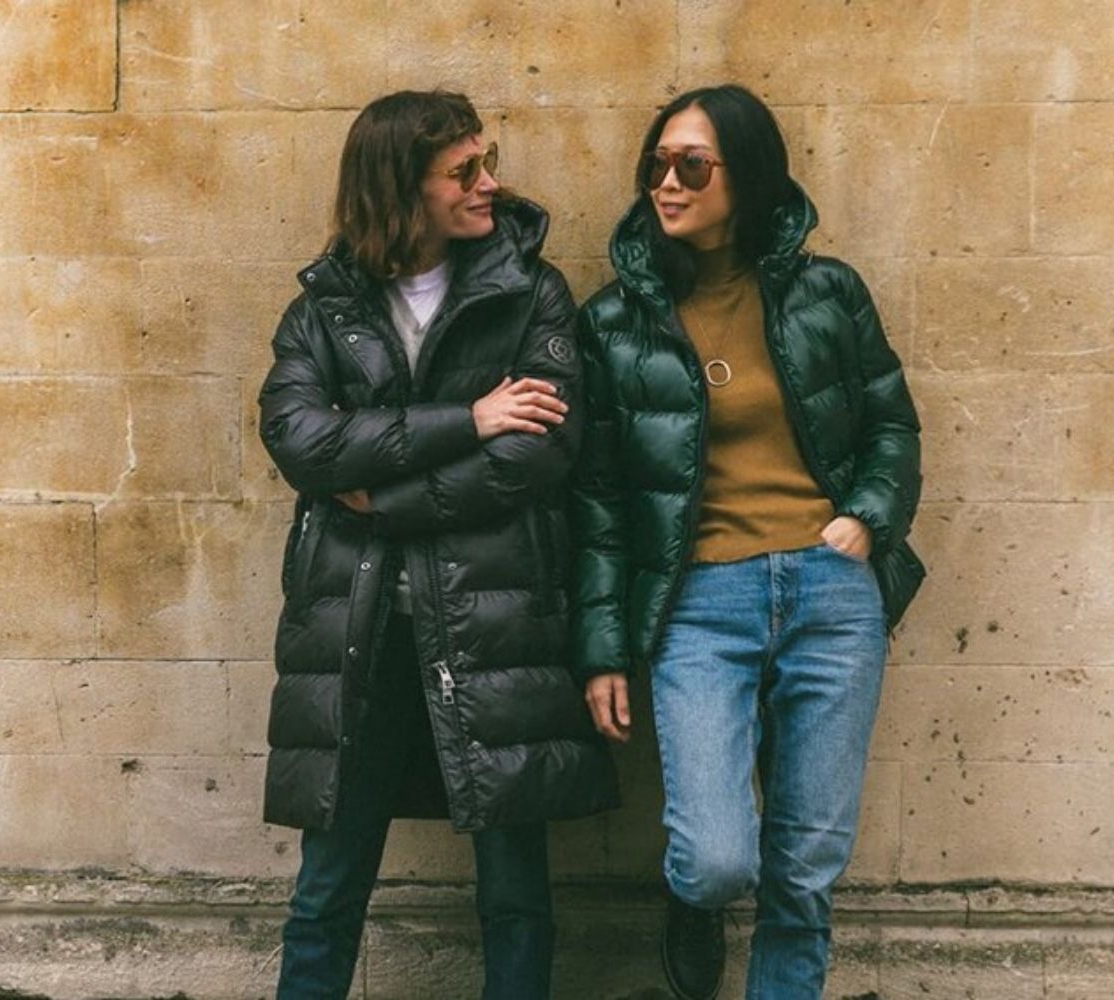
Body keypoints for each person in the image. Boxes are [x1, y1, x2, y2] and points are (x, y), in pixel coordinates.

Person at [258, 89, 619, 1000]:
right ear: (400, 186)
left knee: (513, 893)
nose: (489, 183)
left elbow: (542, 452)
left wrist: (376, 495)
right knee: (327, 890)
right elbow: (300, 439)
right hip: (359, 630)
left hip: (497, 624)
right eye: (463, 171)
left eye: (486, 160)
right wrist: (471, 416)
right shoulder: (324, 306)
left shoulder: (529, 290)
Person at [569, 84, 925, 1000]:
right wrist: (602, 650)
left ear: (749, 176)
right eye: (658, 165)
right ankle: (691, 903)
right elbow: (600, 500)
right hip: (699, 604)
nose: (668, 184)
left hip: (831, 593)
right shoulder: (613, 324)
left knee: (803, 874)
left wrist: (868, 519)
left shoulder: (827, 291)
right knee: (720, 859)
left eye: (693, 165)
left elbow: (891, 426)